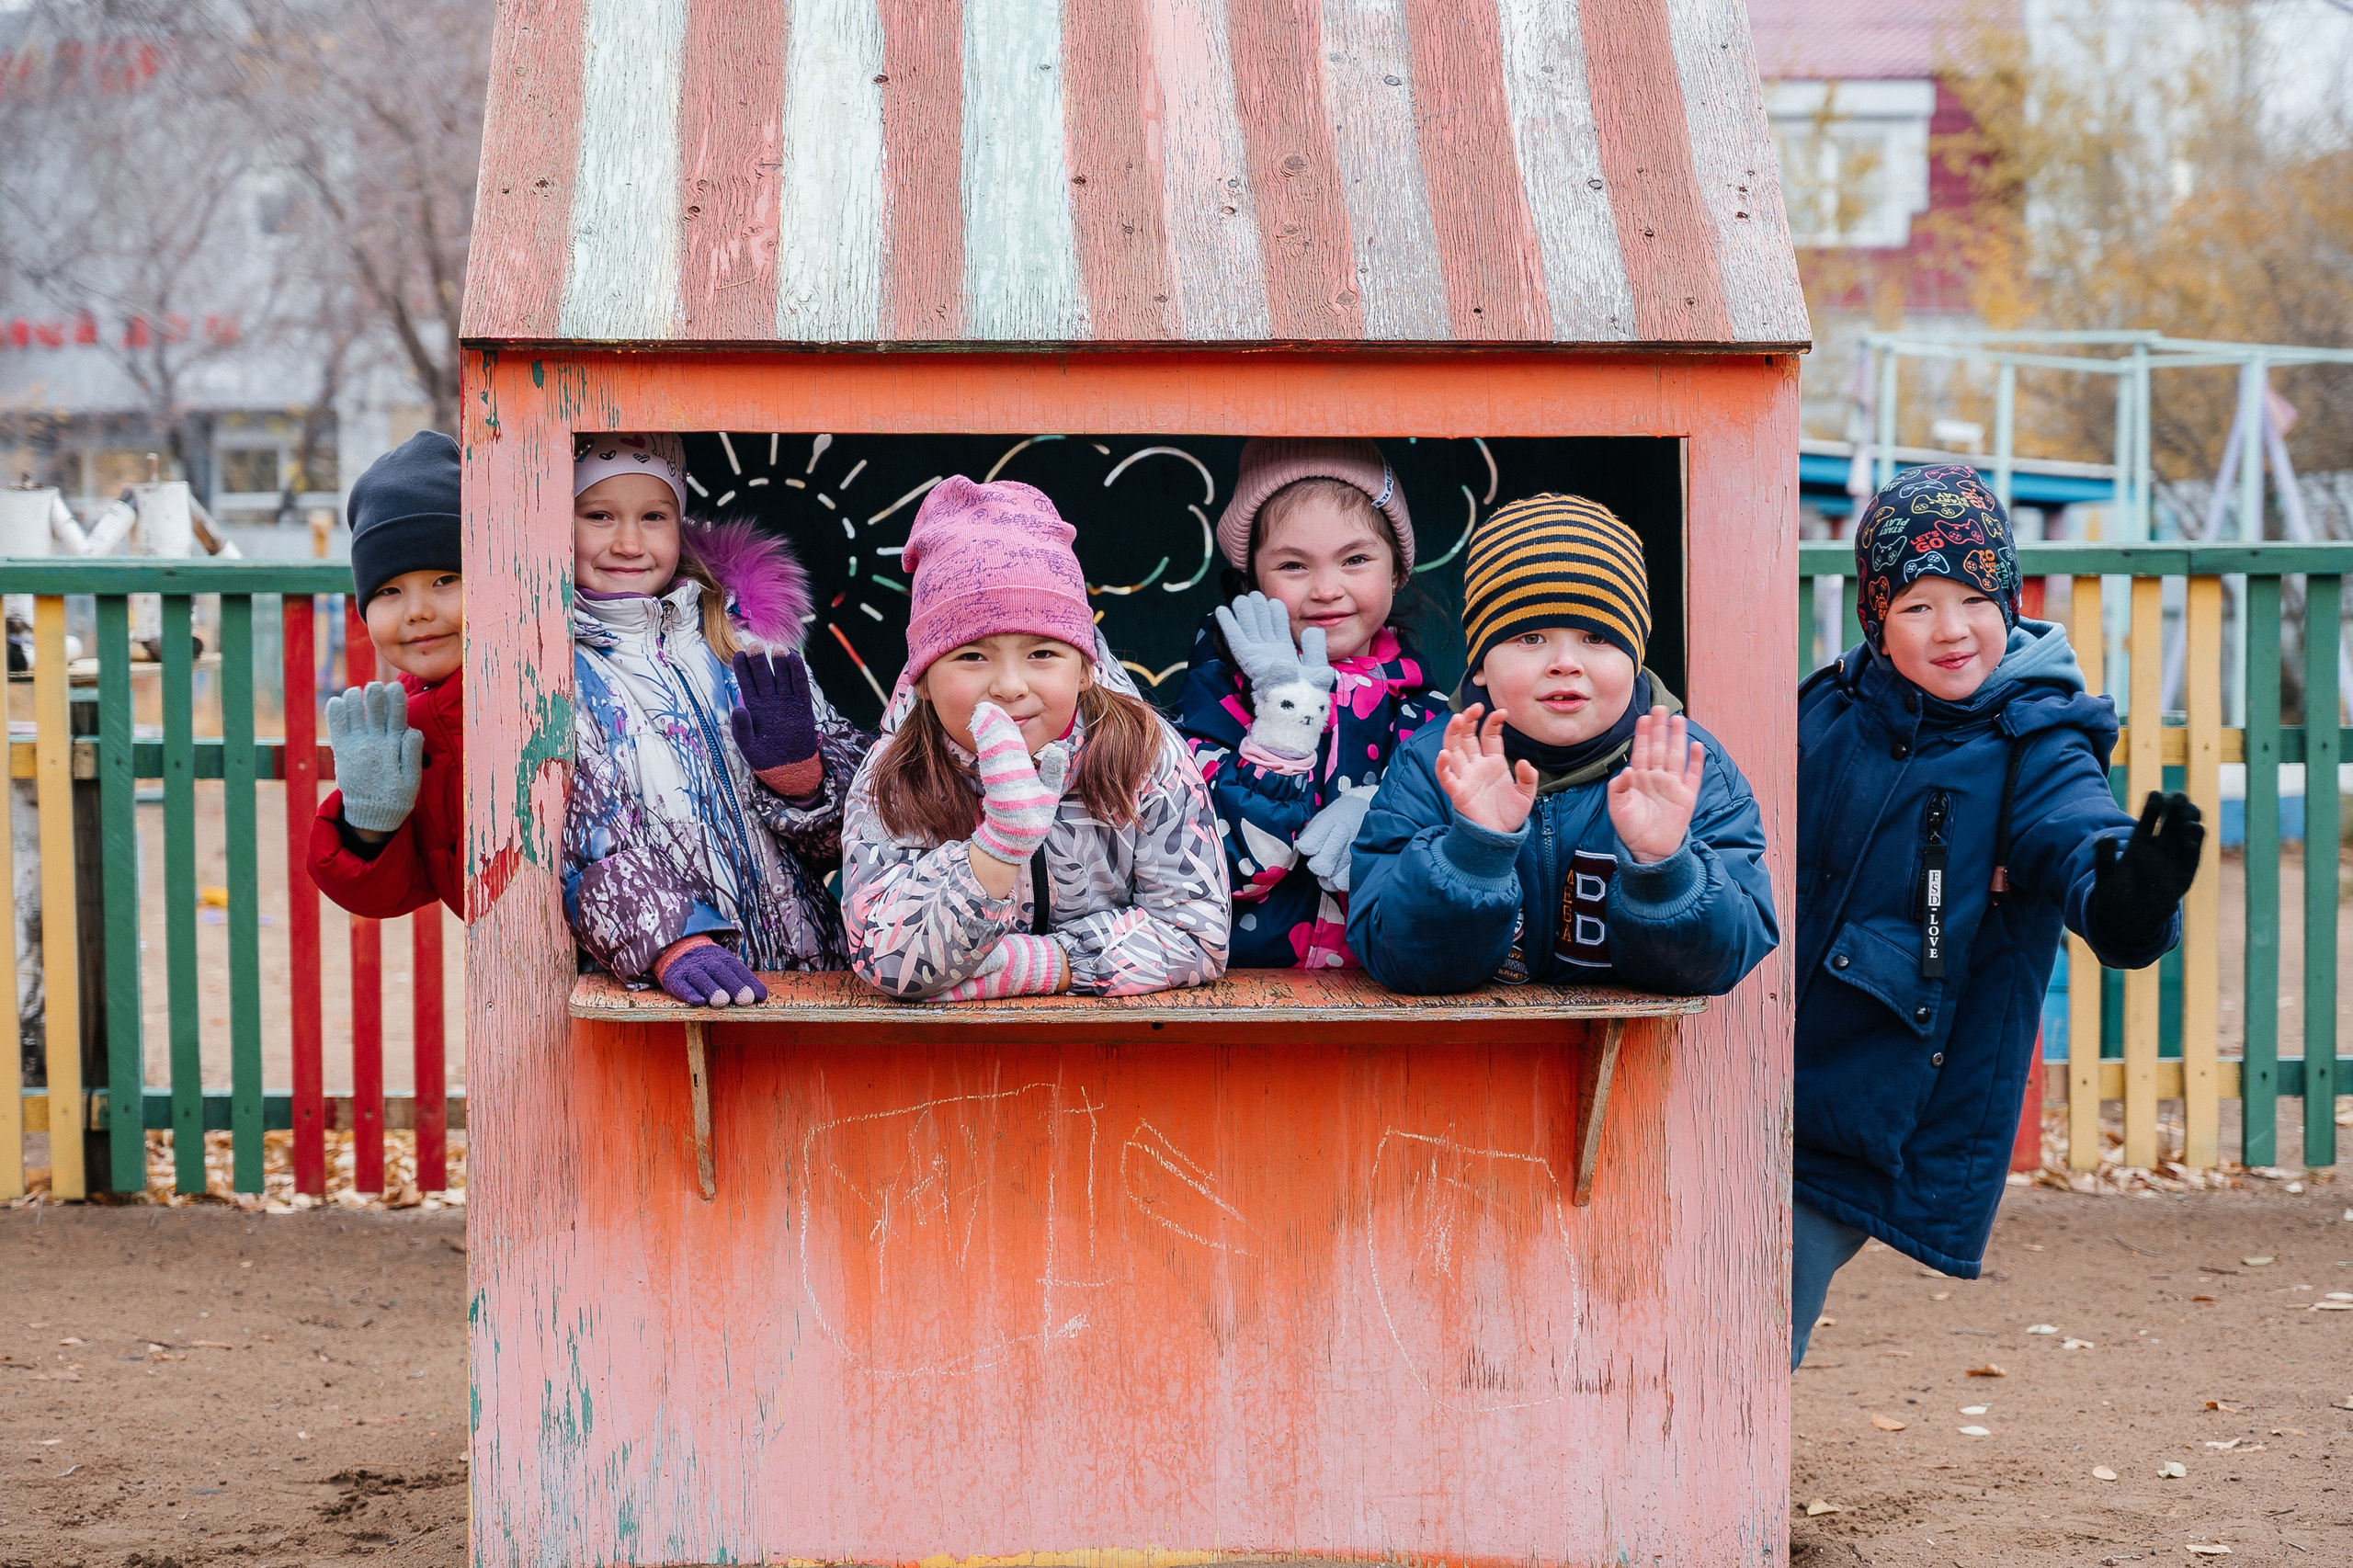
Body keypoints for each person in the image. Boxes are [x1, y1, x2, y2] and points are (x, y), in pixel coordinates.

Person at [1790, 464, 2200, 1368]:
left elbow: (2073, 832)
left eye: (1975, 598)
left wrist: (2128, 897)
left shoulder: (2034, 737)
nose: (1952, 630)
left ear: (2008, 597)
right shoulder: (1829, 707)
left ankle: (1713, 1493)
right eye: (1918, 606)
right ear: (1874, 615)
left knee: (1759, 1295)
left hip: (1873, 1087)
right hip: (1764, 1065)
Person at [1347, 494, 1778, 997]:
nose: (1564, 663)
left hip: (1628, 1067)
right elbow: (1395, 956)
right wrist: (1472, 852)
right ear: (1481, 664)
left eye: (1596, 639)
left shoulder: (1685, 769)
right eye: (1531, 638)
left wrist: (1663, 867)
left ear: (1635, 658)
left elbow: (1718, 964)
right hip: (1462, 1064)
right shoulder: (1435, 763)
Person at [841, 475, 1229, 1001]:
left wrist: (1043, 966)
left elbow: (1196, 934)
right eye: (971, 655)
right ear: (924, 679)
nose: (1009, 686)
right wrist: (998, 848)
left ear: (1086, 666)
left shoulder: (1144, 753)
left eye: (1042, 653)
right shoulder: (894, 776)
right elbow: (884, 956)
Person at [563, 434, 873, 1006]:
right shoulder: (562, 676)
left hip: (810, 975)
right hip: (668, 986)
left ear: (680, 526)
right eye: (599, 515)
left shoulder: (747, 648)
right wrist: (673, 941)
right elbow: (588, 842)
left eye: (653, 516)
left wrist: (805, 782)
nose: (629, 542)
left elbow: (861, 830)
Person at [1175, 437, 1449, 968]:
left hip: (1378, 999)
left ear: (1396, 570)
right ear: (1252, 576)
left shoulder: (1428, 710)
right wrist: (1282, 728)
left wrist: (1382, 817)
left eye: (1356, 559)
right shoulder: (1215, 697)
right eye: (1294, 566)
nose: (1326, 588)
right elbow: (1215, 872)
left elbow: (1446, 883)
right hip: (1241, 995)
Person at [309, 430, 467, 920]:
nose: (417, 612)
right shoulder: (400, 728)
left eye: (445, 580)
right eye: (389, 591)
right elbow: (390, 894)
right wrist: (369, 822)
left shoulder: (554, 688)